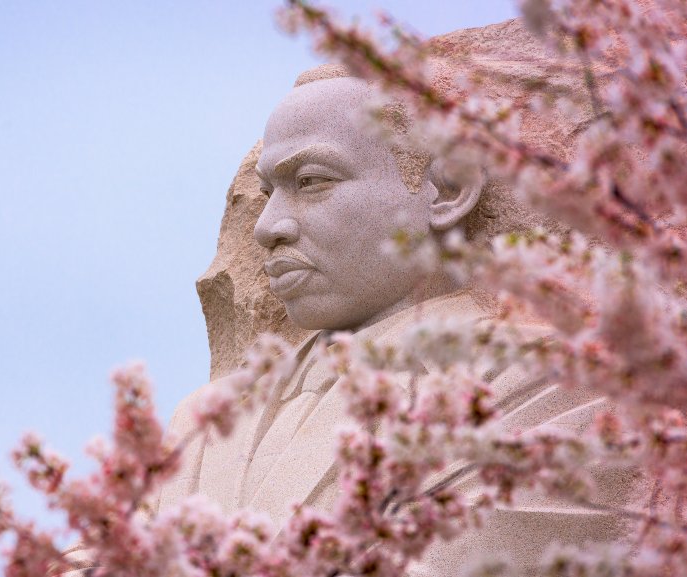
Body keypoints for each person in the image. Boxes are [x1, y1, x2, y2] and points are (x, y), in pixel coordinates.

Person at [153, 74, 639, 575]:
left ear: (447, 190)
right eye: (267, 192)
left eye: (311, 181)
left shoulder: (552, 387)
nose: (266, 226)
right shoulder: (200, 425)